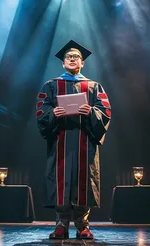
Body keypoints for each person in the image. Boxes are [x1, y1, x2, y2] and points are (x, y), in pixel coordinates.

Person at [36, 40, 111, 240]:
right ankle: (61, 224)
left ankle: (82, 226)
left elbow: (105, 112)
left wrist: (91, 112)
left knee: (83, 183)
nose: (72, 59)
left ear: (82, 63)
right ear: (63, 63)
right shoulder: (51, 86)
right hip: (60, 141)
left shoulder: (94, 86)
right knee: (61, 183)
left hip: (85, 142)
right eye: (68, 56)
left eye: (76, 56)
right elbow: (41, 110)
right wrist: (53, 113)